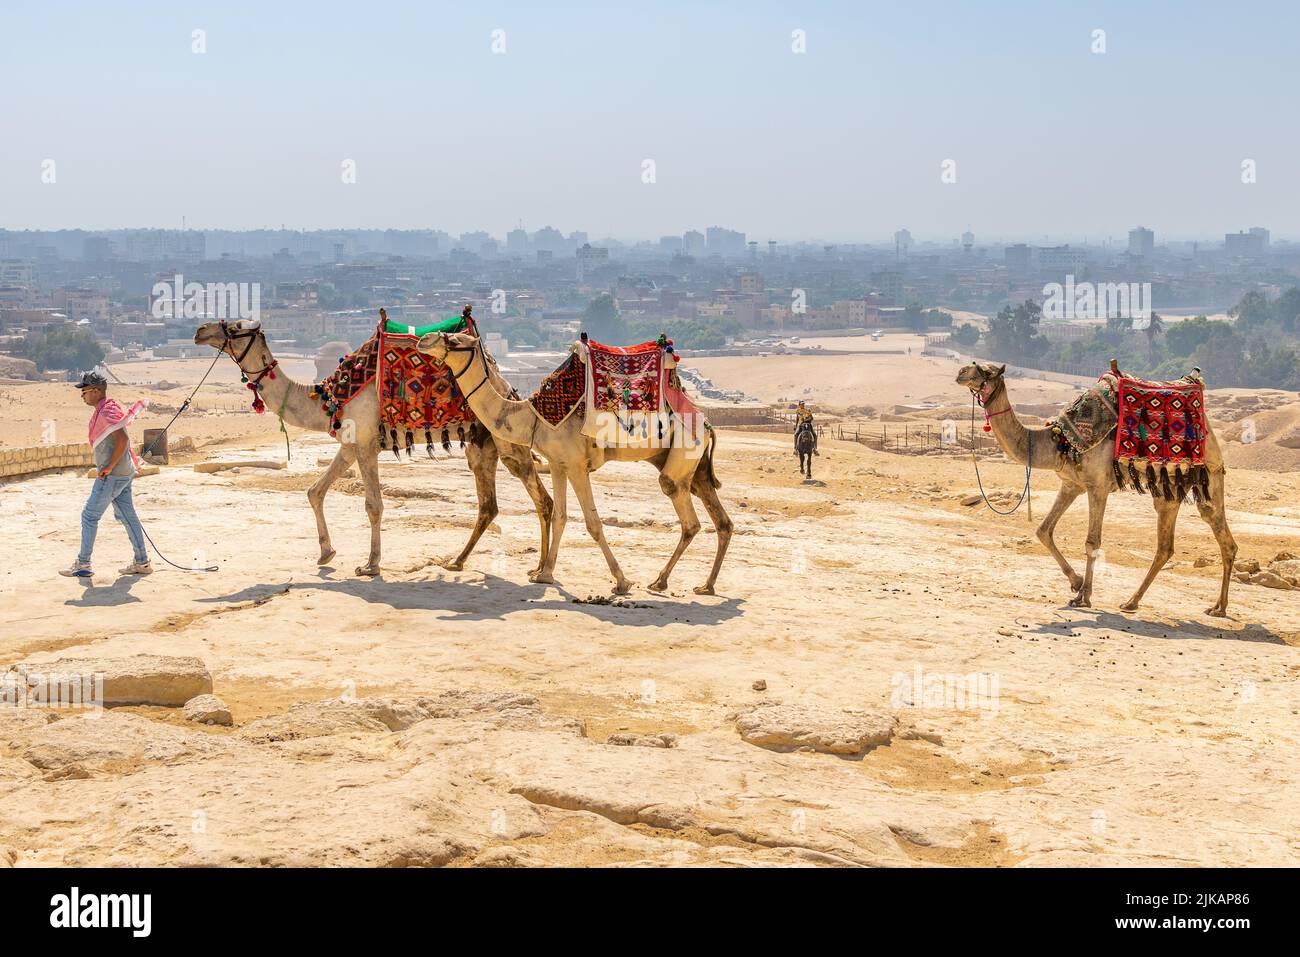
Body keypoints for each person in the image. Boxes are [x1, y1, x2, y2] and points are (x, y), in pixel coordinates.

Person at [59, 371, 152, 578]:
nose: (81, 395)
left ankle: (83, 564)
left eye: (84, 391)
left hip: (113, 474)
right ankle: (142, 562)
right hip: (123, 471)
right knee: (128, 516)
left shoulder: (106, 412)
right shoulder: (105, 409)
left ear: (97, 391)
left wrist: (108, 467)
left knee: (89, 516)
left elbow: (123, 440)